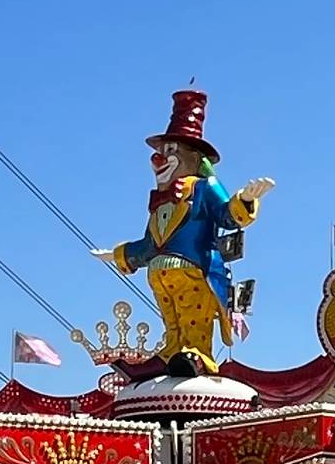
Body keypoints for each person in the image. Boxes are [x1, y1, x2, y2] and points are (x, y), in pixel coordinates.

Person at [95, 90, 274, 376]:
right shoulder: (159, 204)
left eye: (171, 152)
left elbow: (228, 216)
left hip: (195, 273)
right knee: (173, 324)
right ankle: (168, 354)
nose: (159, 160)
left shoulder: (204, 188)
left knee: (193, 322)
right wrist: (118, 255)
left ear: (194, 158)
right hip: (161, 278)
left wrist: (246, 200)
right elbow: (149, 245)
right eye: (160, 153)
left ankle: (198, 356)